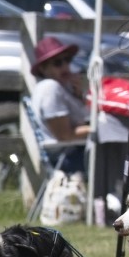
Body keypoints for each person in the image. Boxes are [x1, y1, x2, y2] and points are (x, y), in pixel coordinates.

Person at [31, 36, 90, 174]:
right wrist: (98, 129)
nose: (65, 67)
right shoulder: (51, 89)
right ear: (43, 69)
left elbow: (83, 118)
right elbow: (64, 135)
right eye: (57, 63)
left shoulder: (62, 87)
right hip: (67, 157)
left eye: (67, 60)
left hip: (73, 150)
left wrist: (78, 94)